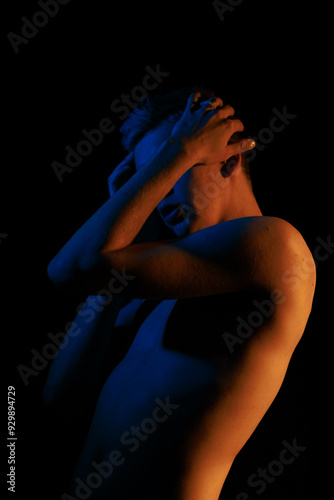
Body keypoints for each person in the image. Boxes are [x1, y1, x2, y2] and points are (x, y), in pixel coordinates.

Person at [44, 88, 316, 500]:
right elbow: (59, 401)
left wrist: (178, 150)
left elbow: (68, 269)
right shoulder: (165, 283)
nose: (159, 194)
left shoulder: (276, 245)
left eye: (173, 168)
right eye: (153, 179)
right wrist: (126, 236)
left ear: (230, 159)